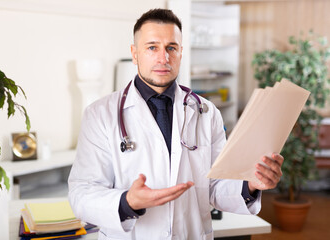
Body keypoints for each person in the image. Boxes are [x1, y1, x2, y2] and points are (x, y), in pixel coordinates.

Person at [68, 8, 283, 240]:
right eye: (152, 47)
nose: (164, 58)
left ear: (181, 52)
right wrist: (127, 202)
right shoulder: (100, 114)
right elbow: (81, 194)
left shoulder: (206, 112)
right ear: (134, 53)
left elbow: (216, 186)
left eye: (171, 47)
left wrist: (250, 185)